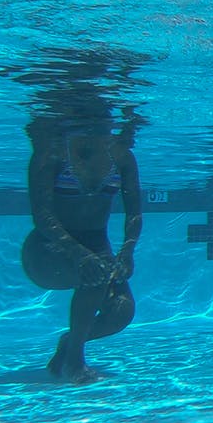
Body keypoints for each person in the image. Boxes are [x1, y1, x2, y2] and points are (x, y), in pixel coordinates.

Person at [21, 115, 143, 381]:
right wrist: (78, 254)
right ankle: (74, 362)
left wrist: (127, 252)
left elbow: (134, 214)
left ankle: (70, 341)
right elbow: (42, 217)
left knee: (121, 311)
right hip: (47, 248)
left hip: (97, 245)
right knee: (96, 275)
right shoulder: (52, 150)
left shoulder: (121, 155)